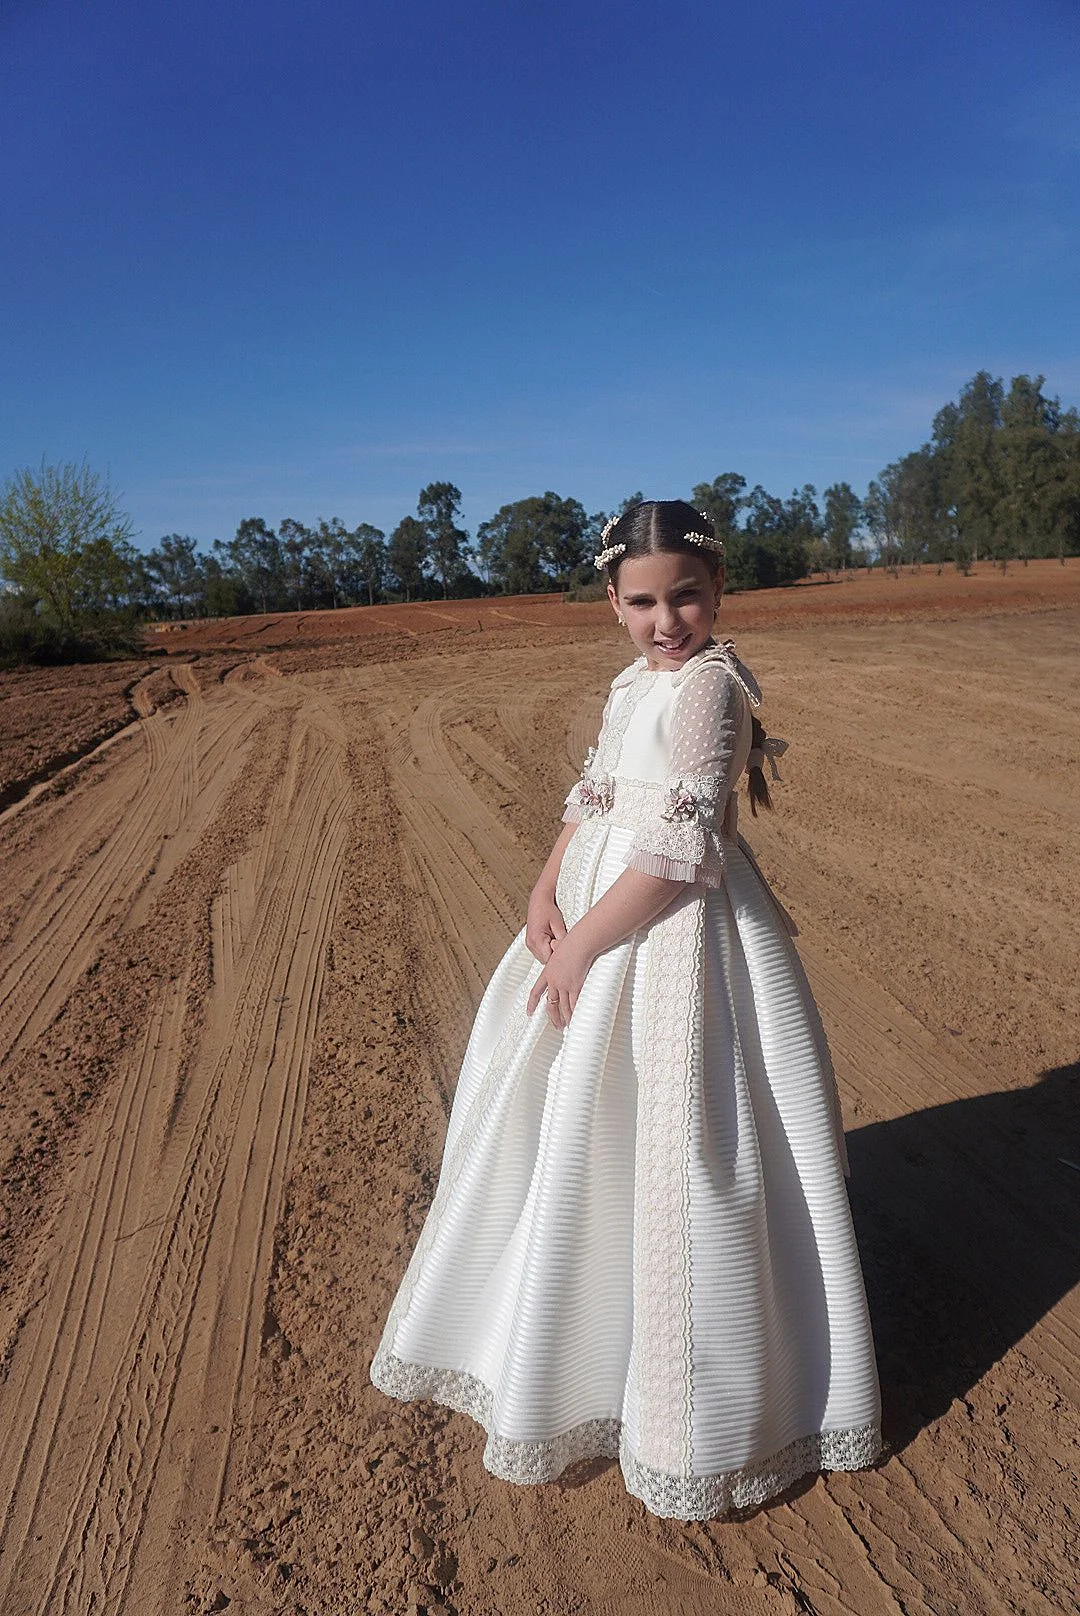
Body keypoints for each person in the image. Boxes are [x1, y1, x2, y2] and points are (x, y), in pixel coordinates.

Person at [369, 499, 882, 1520]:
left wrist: (586, 947)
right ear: (612, 602)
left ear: (717, 589)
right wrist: (545, 885)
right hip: (601, 908)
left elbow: (680, 855)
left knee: (686, 1132)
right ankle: (580, 1334)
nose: (667, 618)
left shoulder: (710, 689)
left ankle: (702, 1402)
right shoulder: (632, 681)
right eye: (643, 600)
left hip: (672, 928)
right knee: (582, 1126)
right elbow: (597, 796)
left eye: (685, 594)